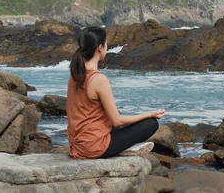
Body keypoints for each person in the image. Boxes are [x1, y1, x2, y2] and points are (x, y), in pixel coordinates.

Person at [67, 26, 165, 159]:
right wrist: (149, 114)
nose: (107, 47)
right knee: (151, 124)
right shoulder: (99, 79)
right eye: (106, 43)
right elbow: (117, 121)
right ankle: (126, 148)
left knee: (113, 124)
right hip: (93, 147)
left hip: (78, 144)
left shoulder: (74, 76)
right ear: (100, 48)